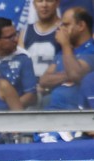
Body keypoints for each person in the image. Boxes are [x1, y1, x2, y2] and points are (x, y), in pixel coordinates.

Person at [36, 6, 94, 142]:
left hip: (76, 119)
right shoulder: (64, 53)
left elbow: (75, 75)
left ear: (81, 25)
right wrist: (69, 73)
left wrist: (65, 44)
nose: (61, 29)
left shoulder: (91, 50)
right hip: (50, 117)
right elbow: (44, 80)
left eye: (66, 25)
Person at [19, 0, 61, 78]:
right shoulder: (25, 32)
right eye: (40, 1)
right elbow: (20, 65)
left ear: (57, 3)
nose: (44, 5)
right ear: (34, 4)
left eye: (49, 1)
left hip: (56, 86)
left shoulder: (65, 29)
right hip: (30, 87)